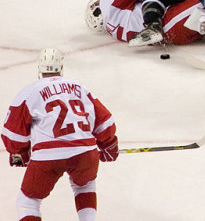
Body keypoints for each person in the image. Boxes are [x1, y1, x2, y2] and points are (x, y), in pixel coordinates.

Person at [2, 48, 118, 221]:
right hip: (85, 153)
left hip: (48, 157)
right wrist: (109, 145)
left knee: (28, 201)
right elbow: (105, 120)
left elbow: (13, 136)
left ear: (40, 69)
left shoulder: (29, 92)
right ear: (61, 67)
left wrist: (20, 153)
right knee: (85, 185)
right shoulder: (79, 87)